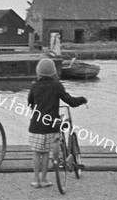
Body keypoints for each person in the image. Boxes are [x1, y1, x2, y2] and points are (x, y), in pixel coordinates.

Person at [27, 58, 87, 188]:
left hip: (36, 126)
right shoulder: (57, 86)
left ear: (38, 71)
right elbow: (70, 101)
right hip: (51, 127)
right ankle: (44, 180)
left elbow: (30, 103)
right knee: (46, 153)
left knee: (37, 153)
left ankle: (35, 180)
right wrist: (82, 100)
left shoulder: (34, 86)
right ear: (53, 71)